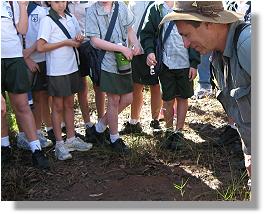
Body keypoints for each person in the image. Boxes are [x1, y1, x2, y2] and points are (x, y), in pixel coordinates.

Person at [160, 1, 251, 183]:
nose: (185, 44)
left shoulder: (248, 45)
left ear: (208, 23)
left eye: (187, 35)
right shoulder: (218, 54)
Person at [140, 1, 200, 150]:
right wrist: (150, 51)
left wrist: (194, 63)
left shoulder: (187, 6)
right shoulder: (156, 8)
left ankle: (179, 132)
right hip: (166, 62)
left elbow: (196, 35)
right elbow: (147, 33)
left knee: (183, 97)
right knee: (167, 97)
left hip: (185, 63)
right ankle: (168, 130)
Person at [37, 1, 93, 161]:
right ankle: (59, 145)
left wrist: (79, 38)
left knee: (69, 103)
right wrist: (65, 43)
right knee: (57, 106)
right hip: (57, 70)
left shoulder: (70, 17)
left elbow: (78, 38)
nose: (61, 4)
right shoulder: (47, 20)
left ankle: (71, 138)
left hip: (72, 67)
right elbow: (41, 47)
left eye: (63, 0)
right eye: (56, 1)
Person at [86, 1, 141, 154]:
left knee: (128, 98)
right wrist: (121, 48)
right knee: (113, 100)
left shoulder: (121, 7)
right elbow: (95, 41)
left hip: (123, 61)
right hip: (106, 62)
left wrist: (135, 44)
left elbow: (129, 29)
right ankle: (114, 139)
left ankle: (99, 128)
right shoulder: (92, 11)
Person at [1, 1, 49, 169]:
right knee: (0, 108)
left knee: (22, 105)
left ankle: (36, 149)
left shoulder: (14, 2)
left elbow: (22, 30)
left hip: (14, 57)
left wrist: (21, 6)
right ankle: (4, 147)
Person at [120, 1, 162, 135]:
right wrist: (129, 46)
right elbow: (128, 25)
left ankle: (155, 120)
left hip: (155, 50)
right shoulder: (133, 2)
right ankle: (134, 121)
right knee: (136, 86)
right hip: (136, 50)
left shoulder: (159, 3)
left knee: (156, 86)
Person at [16, 1, 53, 151]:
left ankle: (37, 132)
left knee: (39, 98)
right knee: (21, 100)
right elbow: (13, 37)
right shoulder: (14, 9)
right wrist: (26, 58)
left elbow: (43, 36)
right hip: (19, 61)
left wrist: (30, 53)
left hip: (40, 60)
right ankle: (22, 135)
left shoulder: (41, 11)